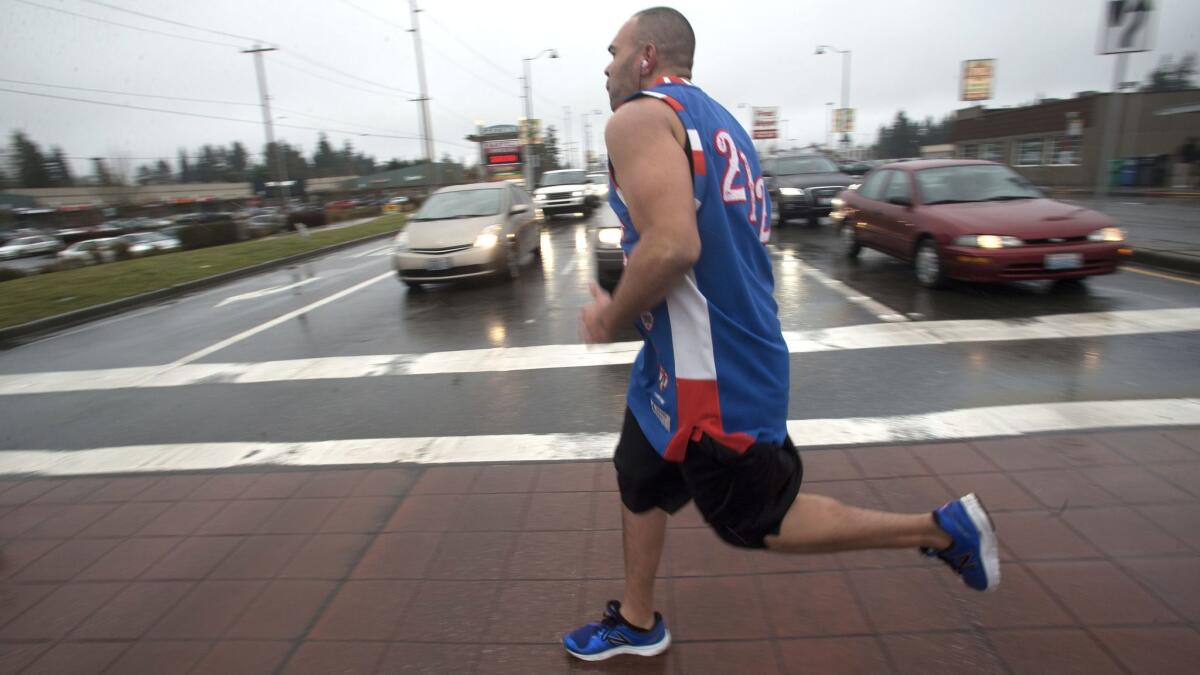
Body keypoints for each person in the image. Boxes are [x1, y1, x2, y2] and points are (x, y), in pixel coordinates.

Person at [566, 7, 1000, 662]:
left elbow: (674, 244)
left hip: (715, 371)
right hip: (680, 357)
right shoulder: (722, 126)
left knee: (755, 519)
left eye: (614, 50)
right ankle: (637, 617)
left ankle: (942, 531)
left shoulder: (637, 117)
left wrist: (609, 314)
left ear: (648, 56)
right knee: (639, 473)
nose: (606, 65)